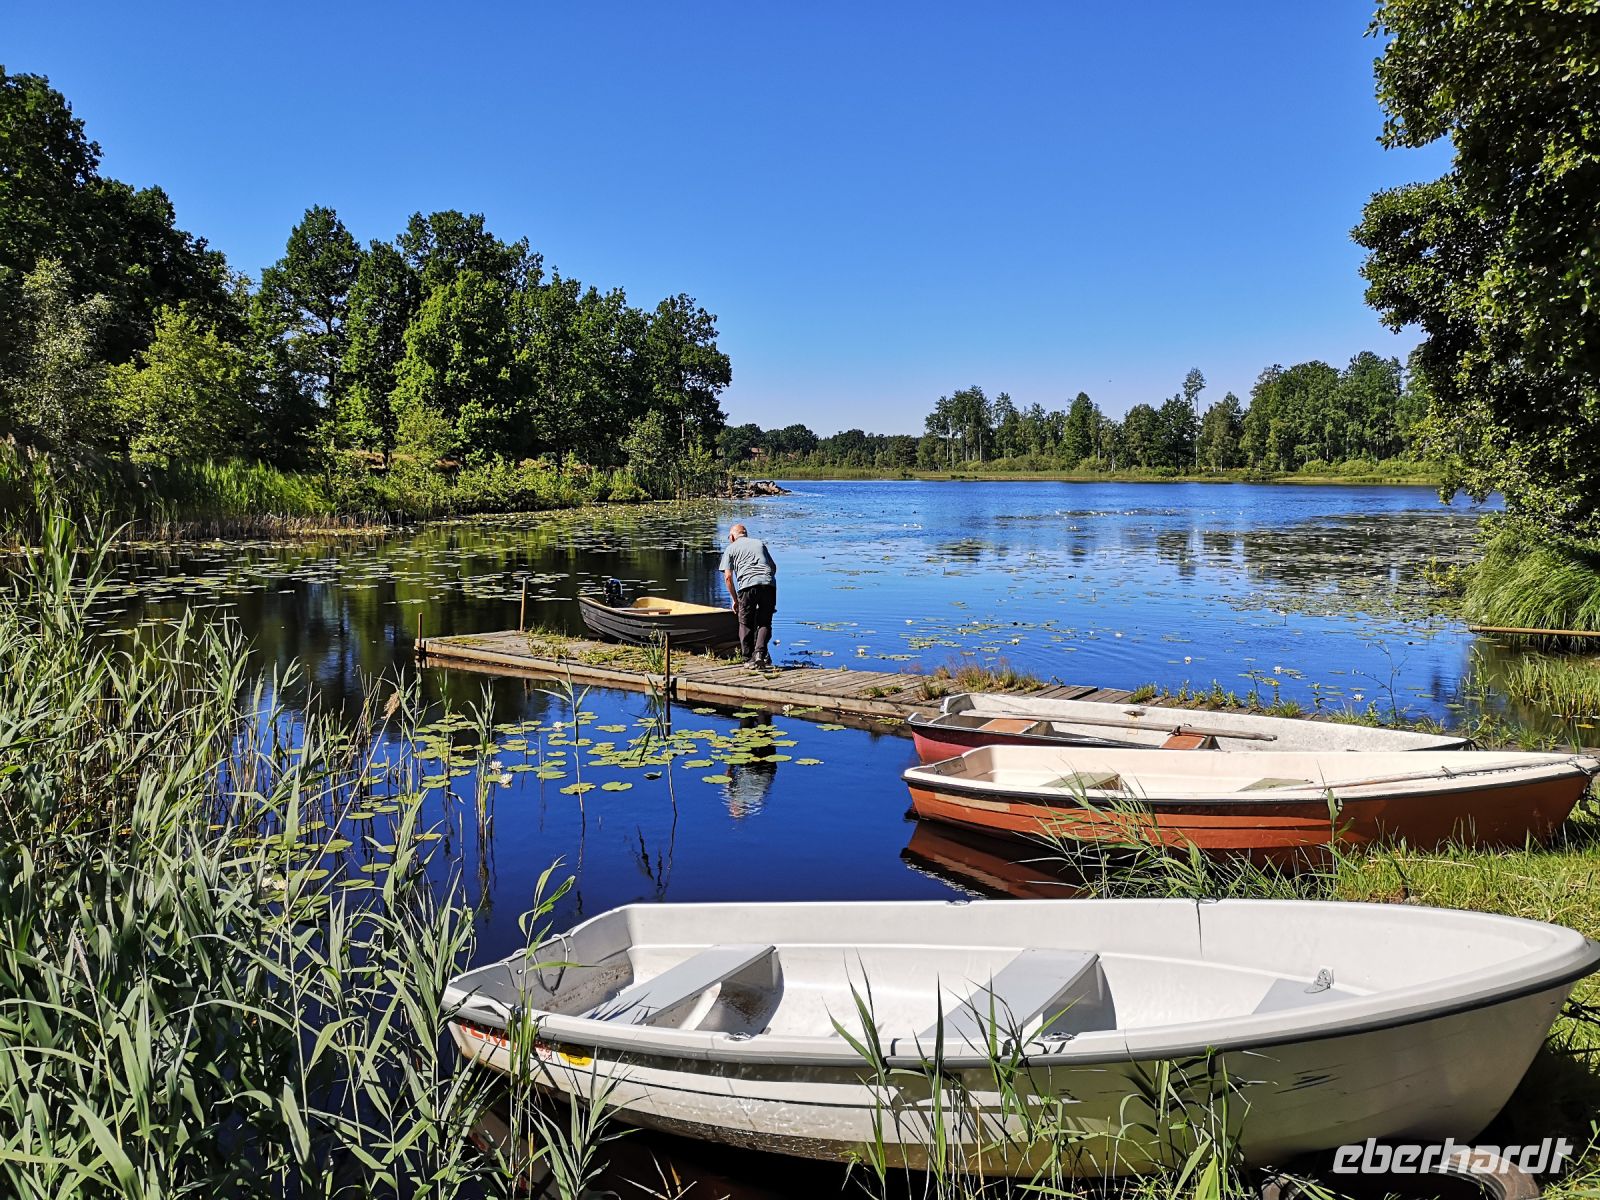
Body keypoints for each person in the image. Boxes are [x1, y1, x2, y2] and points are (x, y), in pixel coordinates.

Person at [718, 523, 778, 668]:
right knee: (765, 622)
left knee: (745, 622)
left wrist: (734, 599)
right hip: (768, 584)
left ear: (732, 537)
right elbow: (773, 567)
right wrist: (765, 580)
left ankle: (748, 658)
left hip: (747, 586)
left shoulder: (731, 548)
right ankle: (759, 654)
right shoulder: (759, 543)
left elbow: (727, 577)